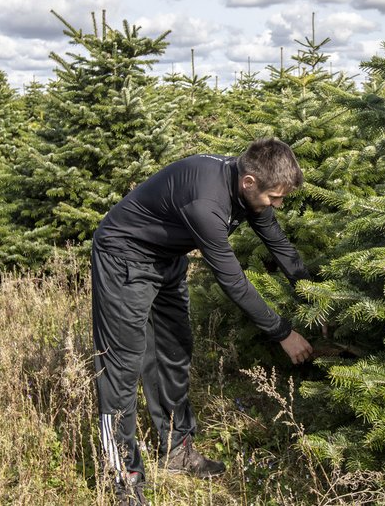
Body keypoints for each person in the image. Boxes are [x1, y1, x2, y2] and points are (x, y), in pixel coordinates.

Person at [90, 138, 314, 504]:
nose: (278, 204)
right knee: (123, 364)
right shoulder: (206, 203)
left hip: (167, 259)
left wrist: (315, 300)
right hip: (123, 257)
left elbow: (280, 245)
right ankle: (122, 477)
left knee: (174, 351)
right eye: (275, 197)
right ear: (250, 182)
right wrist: (282, 332)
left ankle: (176, 450)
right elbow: (233, 282)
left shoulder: (249, 187)